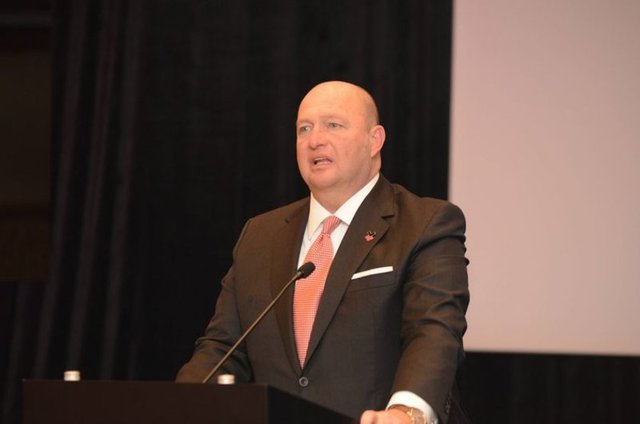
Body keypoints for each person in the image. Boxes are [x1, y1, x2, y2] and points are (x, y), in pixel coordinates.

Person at [176, 81, 470, 424]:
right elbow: (224, 348)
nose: (314, 140)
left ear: (374, 140)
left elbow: (433, 332)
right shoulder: (260, 235)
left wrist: (407, 412)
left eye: (333, 125)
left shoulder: (425, 224)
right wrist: (179, 405)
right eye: (304, 128)